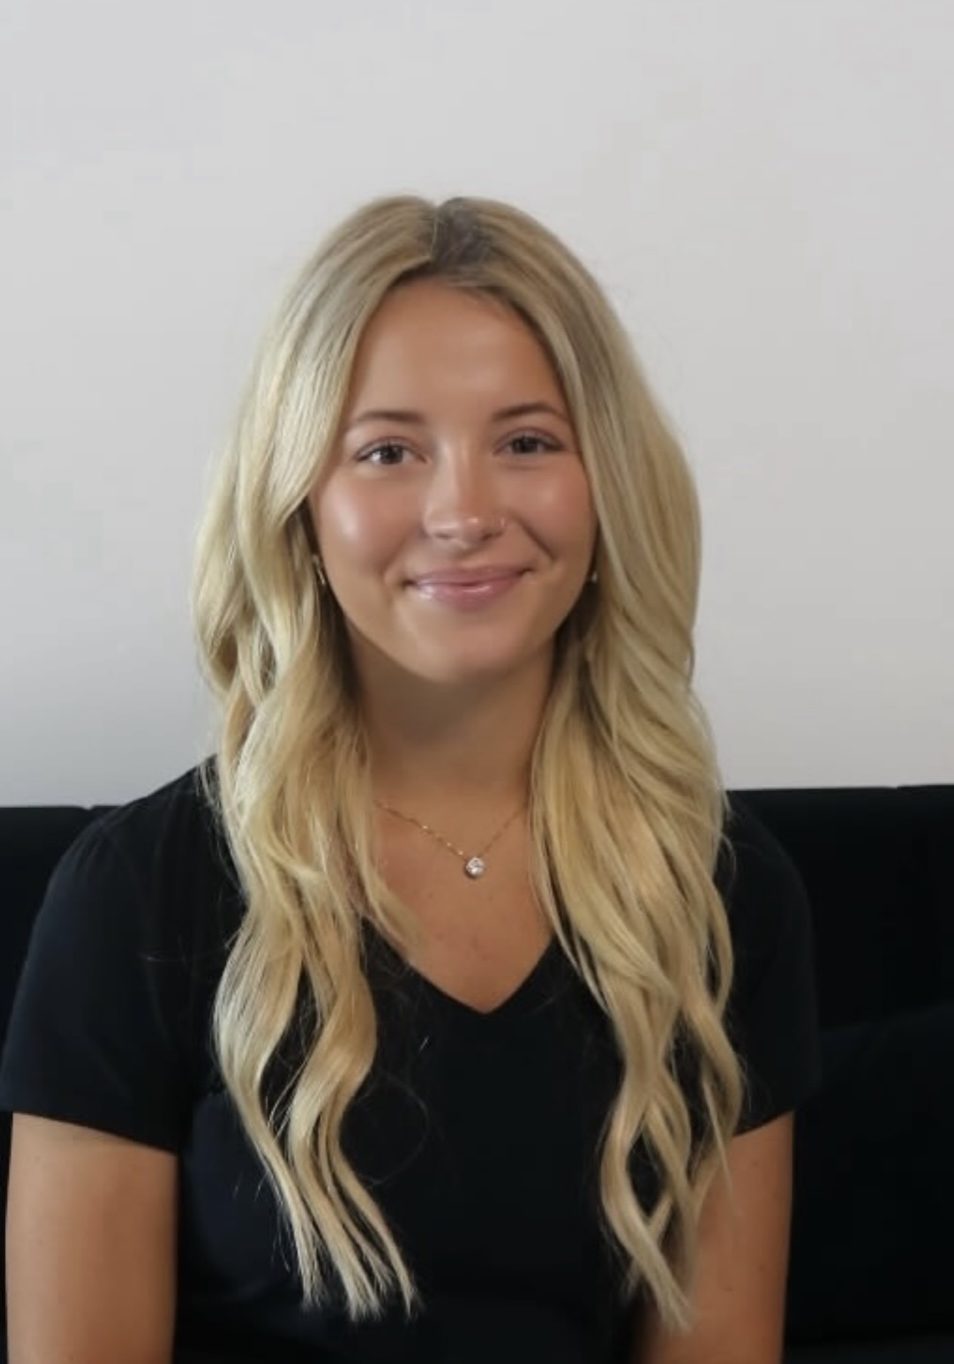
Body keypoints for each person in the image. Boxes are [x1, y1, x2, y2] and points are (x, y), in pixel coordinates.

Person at [0, 194, 821, 1364]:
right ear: (301, 506)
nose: (464, 511)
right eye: (389, 450)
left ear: (607, 487)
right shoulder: (137, 894)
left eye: (528, 441)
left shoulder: (725, 891)